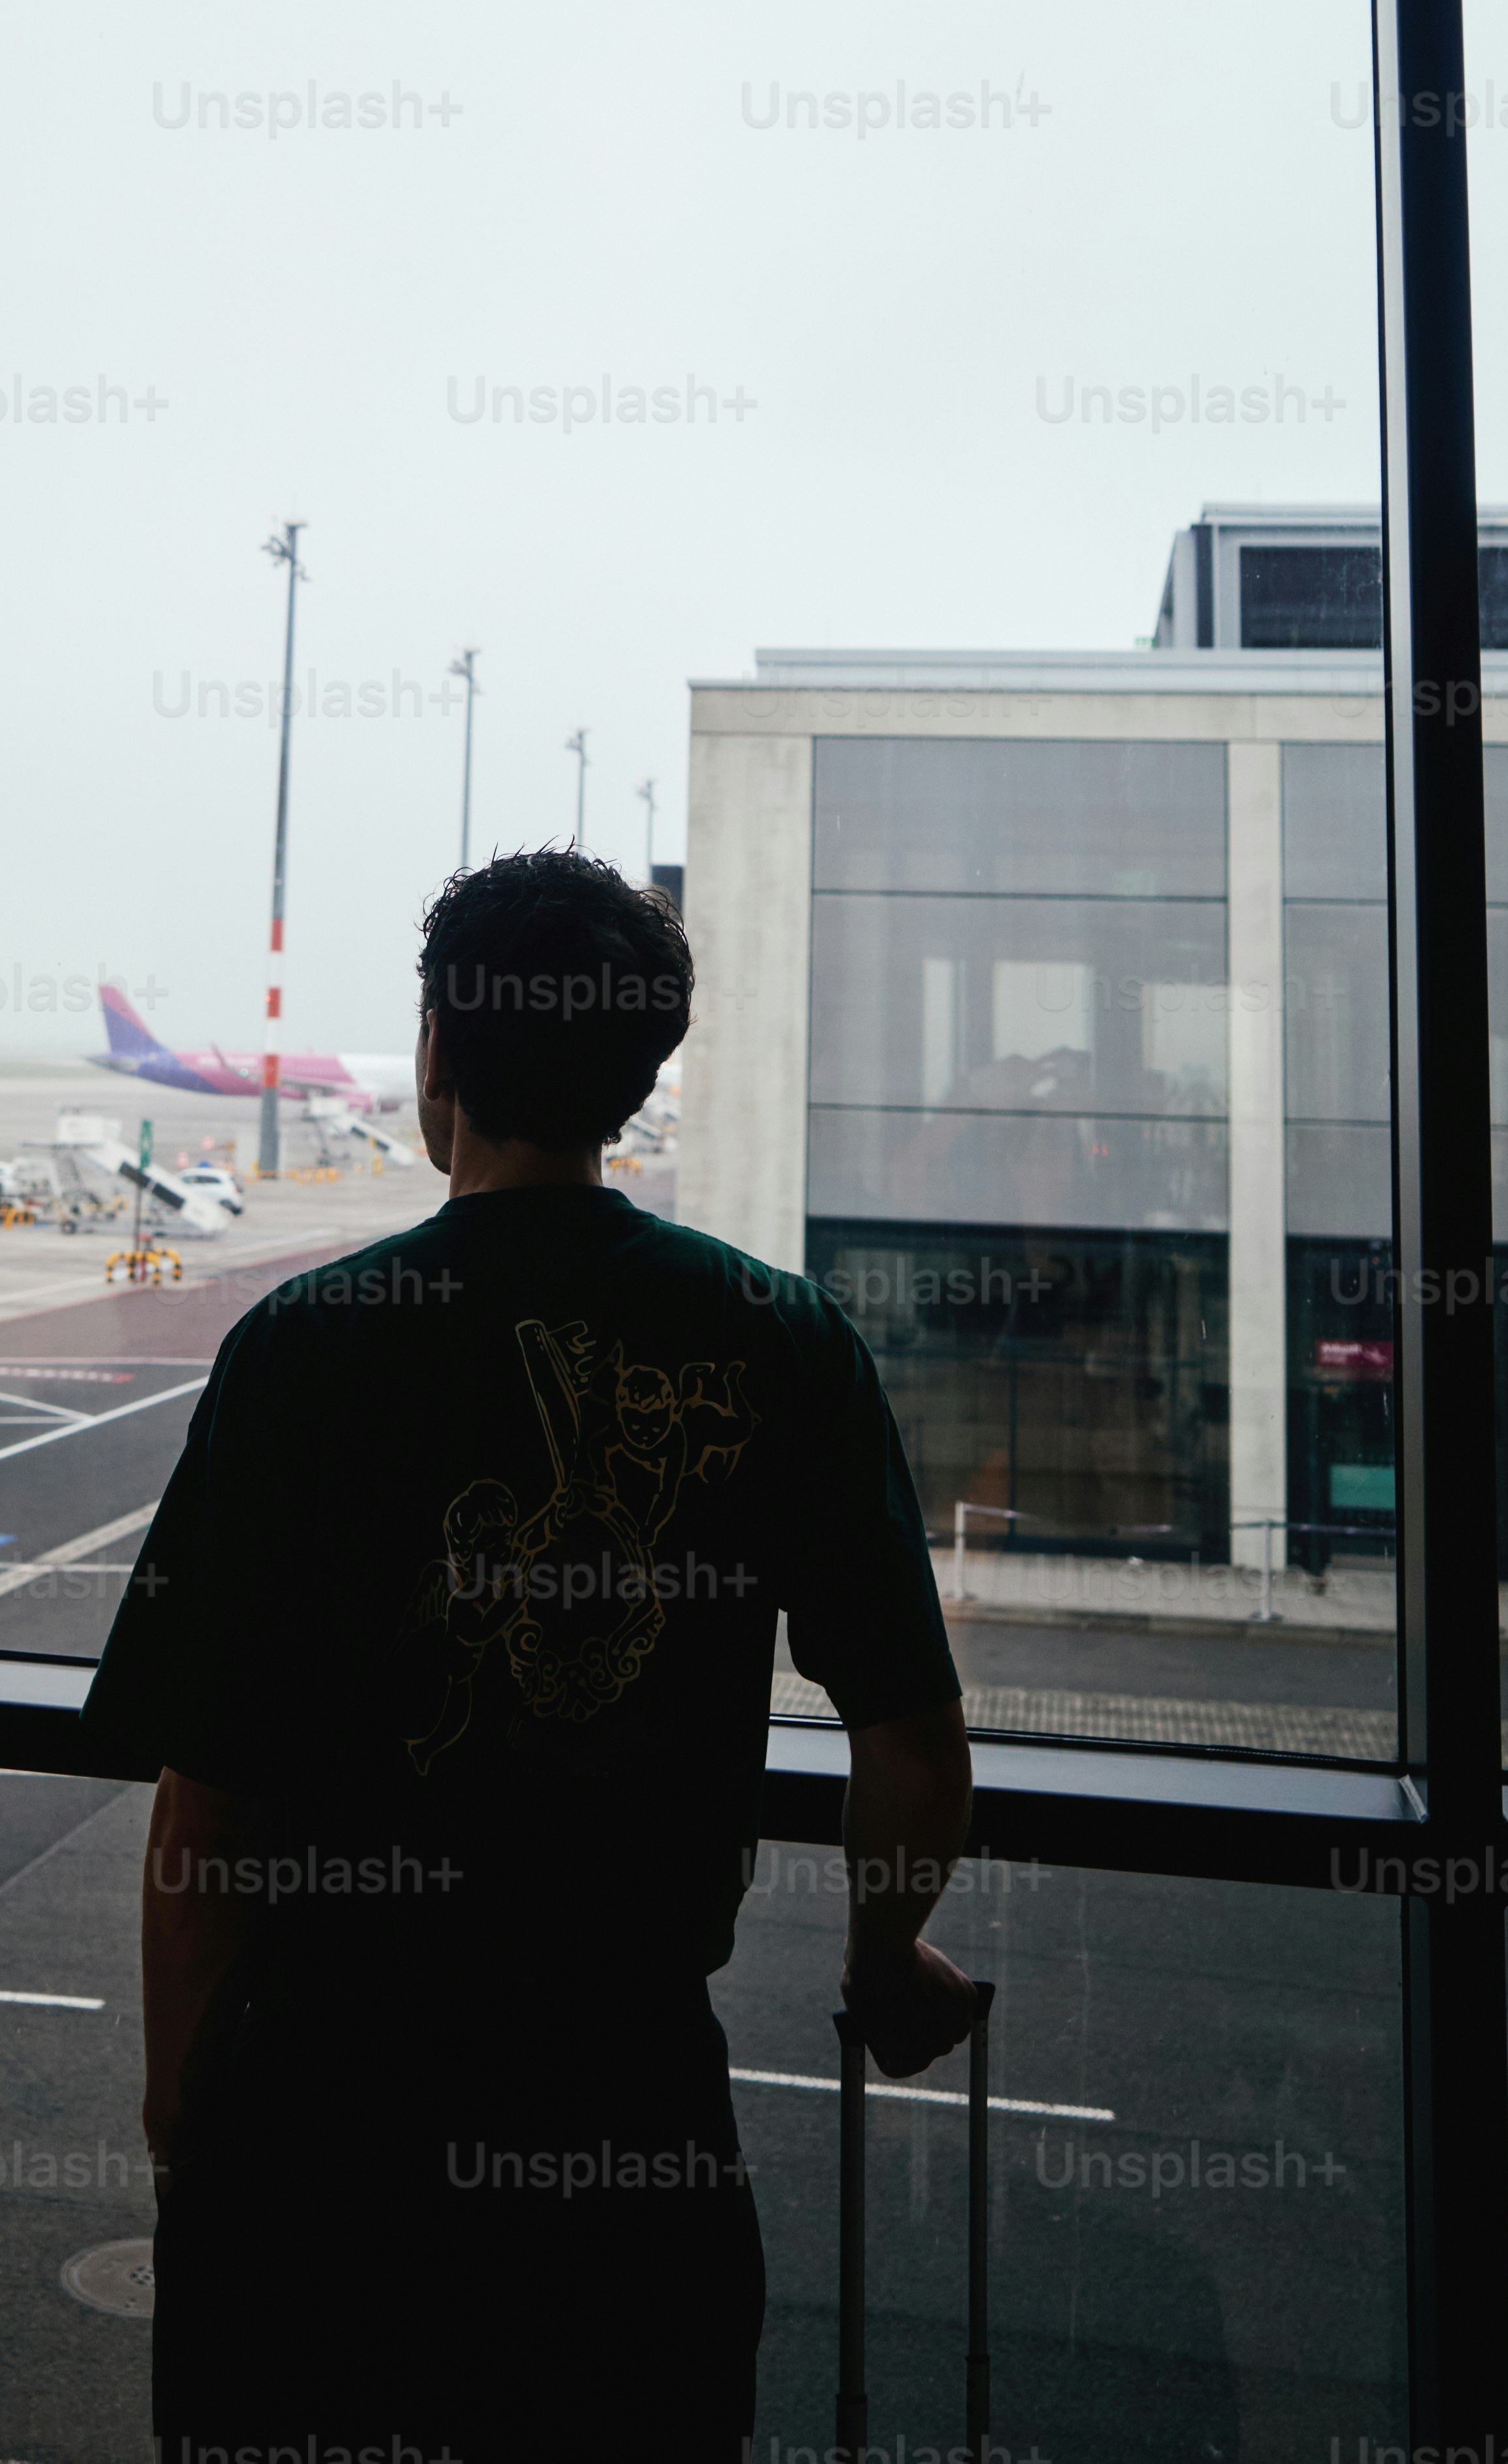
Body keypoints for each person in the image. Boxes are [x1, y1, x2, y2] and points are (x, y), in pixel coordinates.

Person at [79, 847, 977, 2464]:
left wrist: (180, 2120)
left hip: (323, 2129)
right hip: (622, 2127)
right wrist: (878, 1961)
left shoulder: (301, 1349)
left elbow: (205, 1813)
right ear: (638, 1076)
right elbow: (912, 1749)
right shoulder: (782, 1342)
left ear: (436, 1053)